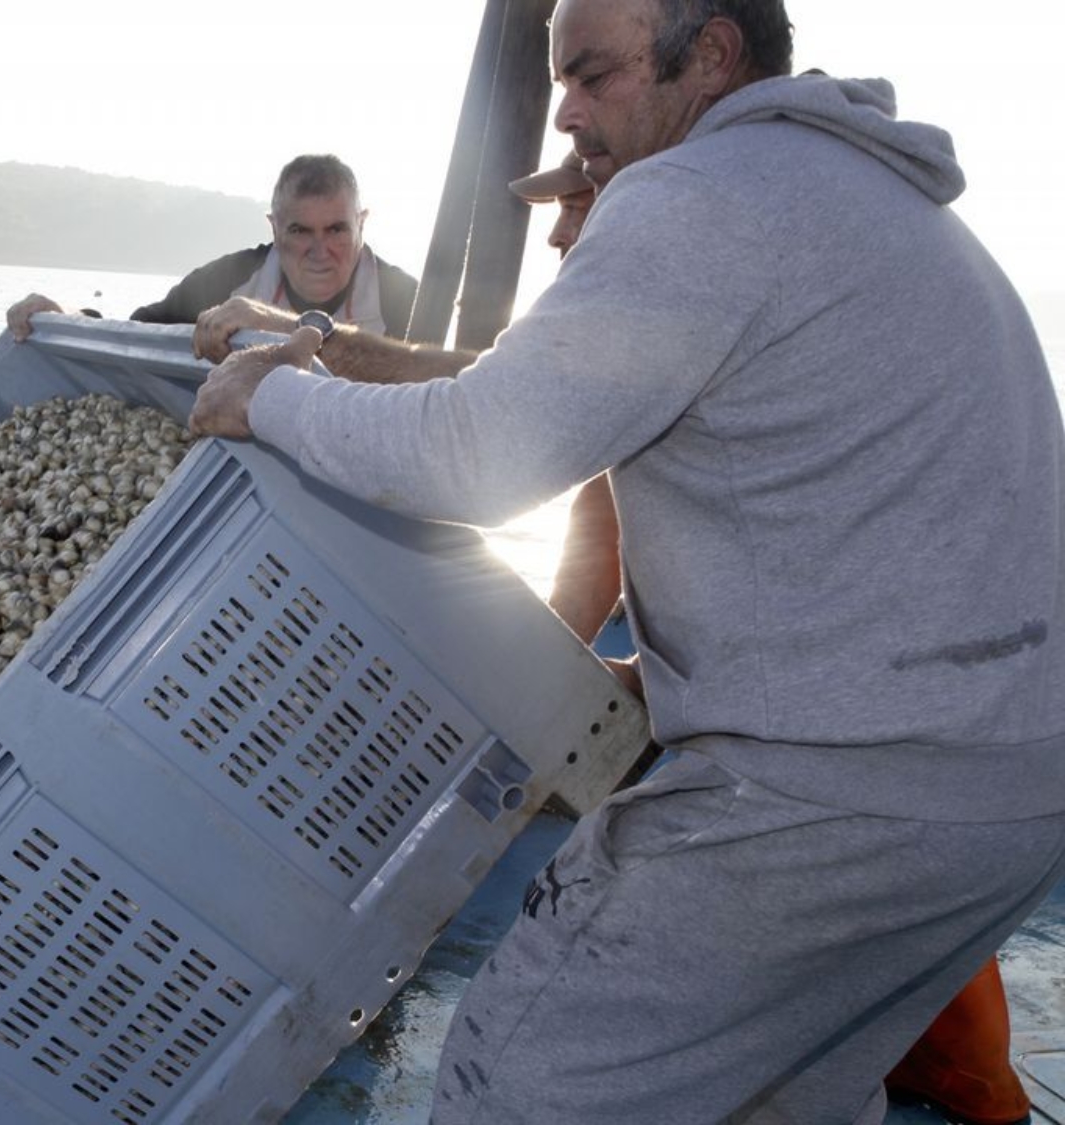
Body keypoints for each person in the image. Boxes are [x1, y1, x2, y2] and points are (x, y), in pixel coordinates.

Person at [190, 1, 1065, 1121]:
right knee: (771, 1101)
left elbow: (480, 450)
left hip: (832, 801)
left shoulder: (699, 195)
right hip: (999, 797)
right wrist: (651, 682)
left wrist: (270, 399)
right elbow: (876, 544)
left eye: (591, 75)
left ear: (706, 56)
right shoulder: (857, 196)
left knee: (515, 1081)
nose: (563, 111)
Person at [519, 145, 1036, 1125]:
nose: (552, 233)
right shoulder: (672, 363)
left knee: (949, 1065)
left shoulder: (709, 350)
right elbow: (592, 605)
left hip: (879, 777)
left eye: (574, 204)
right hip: (868, 768)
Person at [6, 154, 419, 343]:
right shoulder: (227, 280)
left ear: (362, 224)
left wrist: (273, 325)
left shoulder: (406, 300)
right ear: (274, 229)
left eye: (336, 230)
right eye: (300, 231)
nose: (319, 249)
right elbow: (134, 334)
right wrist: (68, 317)